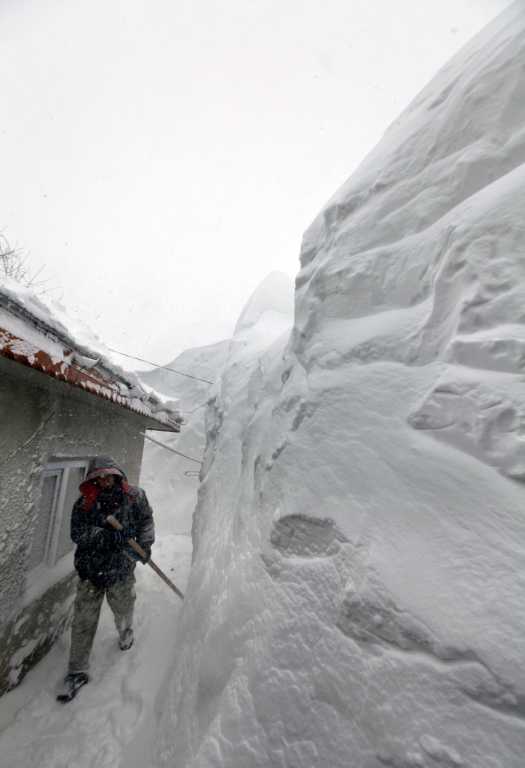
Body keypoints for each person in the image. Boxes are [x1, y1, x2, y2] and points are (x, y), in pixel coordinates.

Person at [58, 456, 155, 699]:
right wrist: (107, 537)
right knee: (83, 621)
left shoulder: (135, 497)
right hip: (90, 570)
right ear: (91, 479)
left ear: (117, 474)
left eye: (107, 474)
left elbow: (146, 521)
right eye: (98, 476)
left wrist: (145, 546)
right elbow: (77, 532)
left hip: (120, 568)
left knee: (123, 606)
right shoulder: (84, 504)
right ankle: (77, 670)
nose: (104, 480)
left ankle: (125, 632)